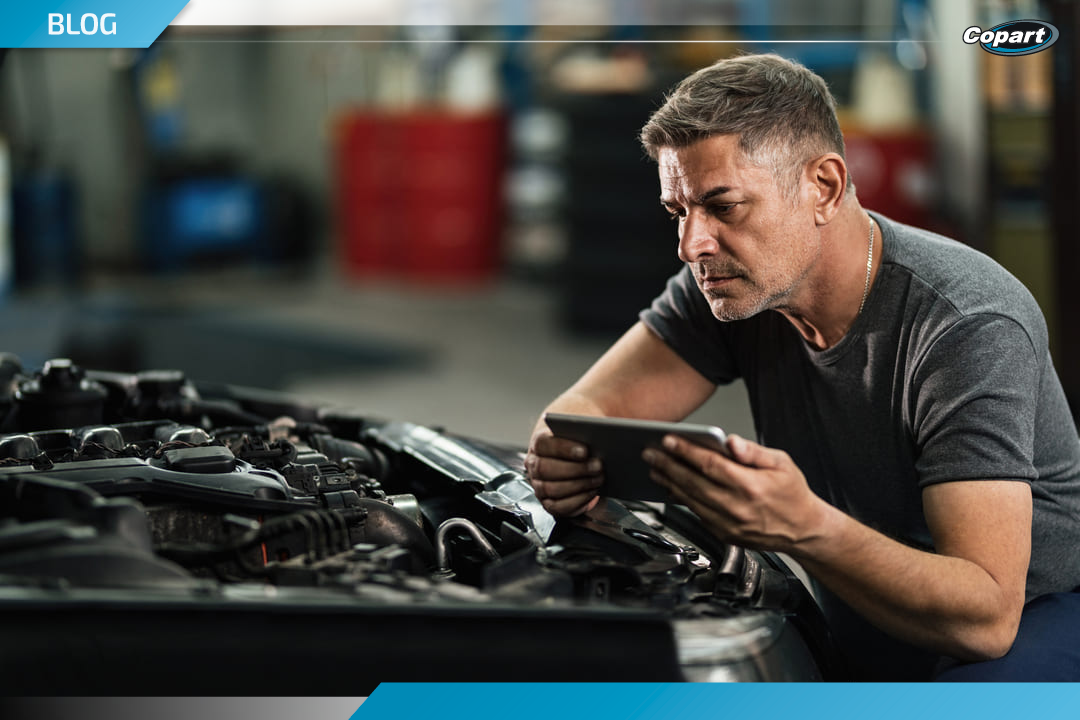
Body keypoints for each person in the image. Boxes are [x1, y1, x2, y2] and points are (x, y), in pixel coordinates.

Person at [525, 53, 1080, 681]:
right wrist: (561, 454)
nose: (691, 245)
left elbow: (986, 617)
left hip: (1028, 637)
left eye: (724, 206)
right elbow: (581, 415)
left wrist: (803, 526)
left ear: (824, 186)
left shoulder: (966, 323)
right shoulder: (730, 279)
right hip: (876, 615)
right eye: (678, 212)